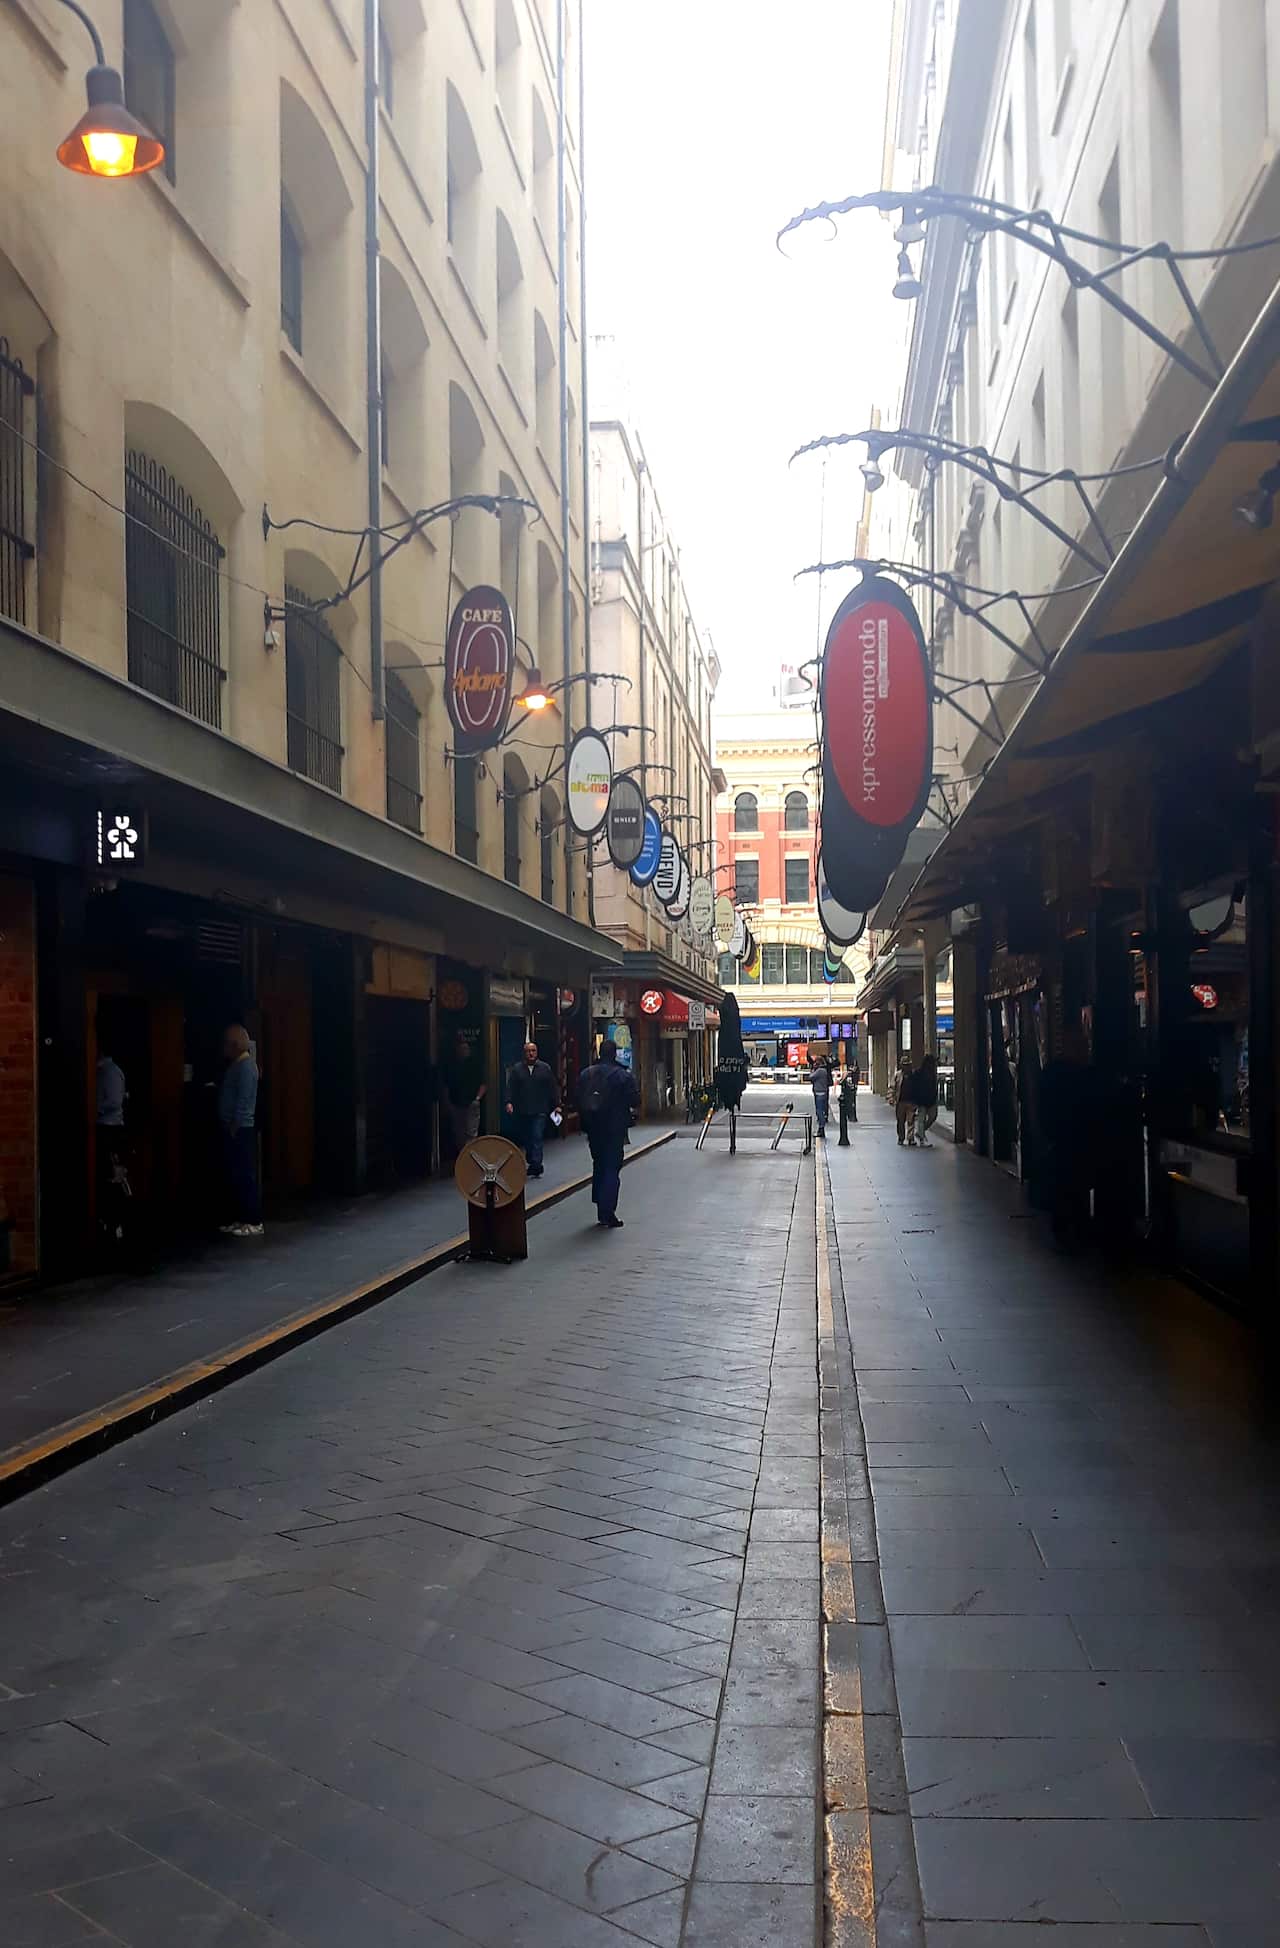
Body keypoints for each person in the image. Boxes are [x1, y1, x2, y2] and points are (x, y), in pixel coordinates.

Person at [577, 1038, 639, 1228]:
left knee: (599, 1164)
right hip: (615, 1128)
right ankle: (608, 1210)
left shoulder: (586, 1074)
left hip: (593, 1128)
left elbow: (577, 1098)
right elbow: (634, 1100)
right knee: (612, 1168)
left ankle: (600, 1205)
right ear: (614, 1054)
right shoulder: (623, 1076)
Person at [219, 1024, 262, 1236]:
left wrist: (235, 1126)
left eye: (227, 1044)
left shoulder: (246, 1067)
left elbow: (243, 1101)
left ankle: (253, 1221)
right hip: (233, 1127)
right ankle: (239, 1218)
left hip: (241, 1128)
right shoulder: (237, 1065)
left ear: (235, 1045)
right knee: (235, 1175)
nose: (224, 1048)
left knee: (245, 1175)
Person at [504, 1039, 559, 1178]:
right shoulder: (517, 1069)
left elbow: (552, 1087)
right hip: (523, 1109)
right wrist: (509, 1102)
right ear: (524, 1053)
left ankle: (536, 1164)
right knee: (527, 1137)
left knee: (537, 1135)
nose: (531, 1053)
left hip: (540, 1109)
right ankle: (532, 1159)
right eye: (528, 1051)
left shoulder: (545, 1068)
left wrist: (557, 1105)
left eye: (533, 1051)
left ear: (537, 1052)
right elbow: (511, 1087)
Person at [442, 1031, 485, 1158]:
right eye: (461, 1049)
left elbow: (483, 1084)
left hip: (471, 1103)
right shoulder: (451, 1066)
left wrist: (477, 1099)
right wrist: (448, 1103)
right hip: (456, 1103)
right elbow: (446, 1086)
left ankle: (468, 1159)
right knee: (459, 1134)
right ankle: (463, 1157)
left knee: (471, 1133)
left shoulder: (474, 1065)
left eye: (466, 1049)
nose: (464, 1051)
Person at [909, 1052, 940, 1146]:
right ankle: (922, 1138)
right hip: (921, 1100)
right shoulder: (919, 1073)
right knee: (921, 1119)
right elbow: (914, 1087)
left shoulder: (932, 1074)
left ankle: (920, 1132)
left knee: (932, 1116)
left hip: (930, 1100)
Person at [893, 1054, 915, 1146]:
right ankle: (901, 1138)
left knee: (911, 1120)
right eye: (904, 1065)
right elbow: (893, 1087)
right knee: (900, 1121)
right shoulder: (898, 1075)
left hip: (911, 1101)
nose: (906, 1067)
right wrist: (891, 1099)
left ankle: (910, 1138)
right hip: (901, 1101)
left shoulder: (914, 1075)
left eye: (907, 1065)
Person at [810, 1055, 832, 1138]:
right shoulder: (824, 1070)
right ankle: (821, 1127)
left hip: (819, 1092)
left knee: (819, 1111)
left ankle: (821, 1128)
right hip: (822, 1091)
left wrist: (812, 1070)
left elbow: (811, 1077)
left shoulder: (820, 1071)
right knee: (821, 1110)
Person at [841, 1060, 859, 1126]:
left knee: (850, 1103)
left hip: (849, 1090)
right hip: (850, 1090)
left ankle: (851, 1116)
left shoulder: (850, 1074)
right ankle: (851, 1116)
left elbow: (842, 1082)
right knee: (851, 1103)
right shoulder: (851, 1073)